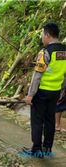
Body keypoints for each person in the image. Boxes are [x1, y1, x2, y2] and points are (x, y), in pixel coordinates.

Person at [23, 23, 66, 157]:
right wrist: (62, 91)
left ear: (47, 35)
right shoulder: (64, 51)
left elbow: (37, 76)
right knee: (49, 120)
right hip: (55, 91)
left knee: (37, 120)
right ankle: (47, 147)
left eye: (42, 34)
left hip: (42, 92)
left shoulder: (45, 52)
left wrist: (30, 95)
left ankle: (36, 149)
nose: (42, 37)